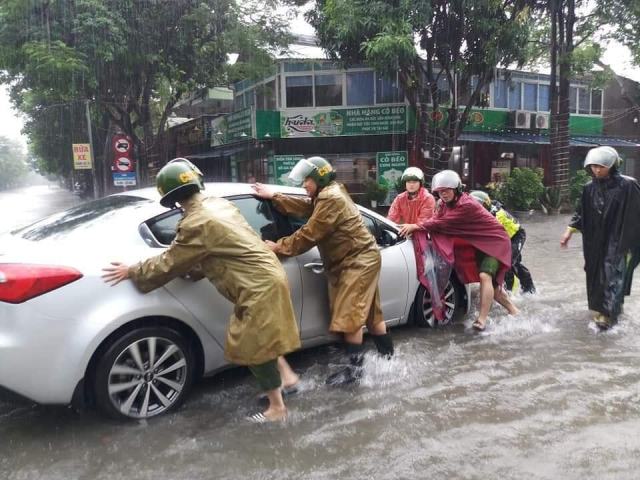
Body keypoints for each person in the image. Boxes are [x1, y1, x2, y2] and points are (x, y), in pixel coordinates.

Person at [102, 158, 301, 423]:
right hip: (267, 275)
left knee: (254, 345)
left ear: (171, 199)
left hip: (256, 286)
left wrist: (133, 270)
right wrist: (196, 270)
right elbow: (219, 248)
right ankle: (287, 379)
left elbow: (170, 261)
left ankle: (277, 409)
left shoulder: (195, 223)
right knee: (261, 336)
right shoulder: (219, 204)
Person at [252, 156, 394, 386]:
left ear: (319, 178)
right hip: (359, 258)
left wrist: (279, 247)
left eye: (307, 180)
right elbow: (307, 209)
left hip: (356, 261)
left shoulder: (331, 197)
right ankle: (389, 362)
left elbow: (309, 234)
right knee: (370, 314)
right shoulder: (327, 193)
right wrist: (275, 197)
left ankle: (354, 373)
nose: (304, 185)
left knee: (351, 318)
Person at [399, 170, 518, 331]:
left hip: (494, 243)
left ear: (456, 190)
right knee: (495, 289)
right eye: (440, 192)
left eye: (447, 190)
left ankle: (481, 320)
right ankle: (515, 312)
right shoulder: (442, 204)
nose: (443, 194)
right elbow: (435, 219)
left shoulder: (466, 205)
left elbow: (442, 223)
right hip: (475, 244)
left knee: (485, 276)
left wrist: (416, 225)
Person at [560, 146, 640, 330]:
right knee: (596, 273)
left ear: (612, 165)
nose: (596, 170)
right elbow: (581, 213)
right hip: (595, 240)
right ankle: (606, 308)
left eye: (601, 166)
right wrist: (568, 231)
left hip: (620, 238)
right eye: (593, 166)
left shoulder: (628, 185)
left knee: (613, 272)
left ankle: (607, 314)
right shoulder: (589, 188)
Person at [470, 190, 536, 294]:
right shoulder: (486, 212)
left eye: (476, 206)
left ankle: (512, 293)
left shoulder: (496, 216)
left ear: (484, 205)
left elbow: (493, 238)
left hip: (516, 236)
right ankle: (520, 289)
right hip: (504, 238)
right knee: (514, 263)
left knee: (507, 263)